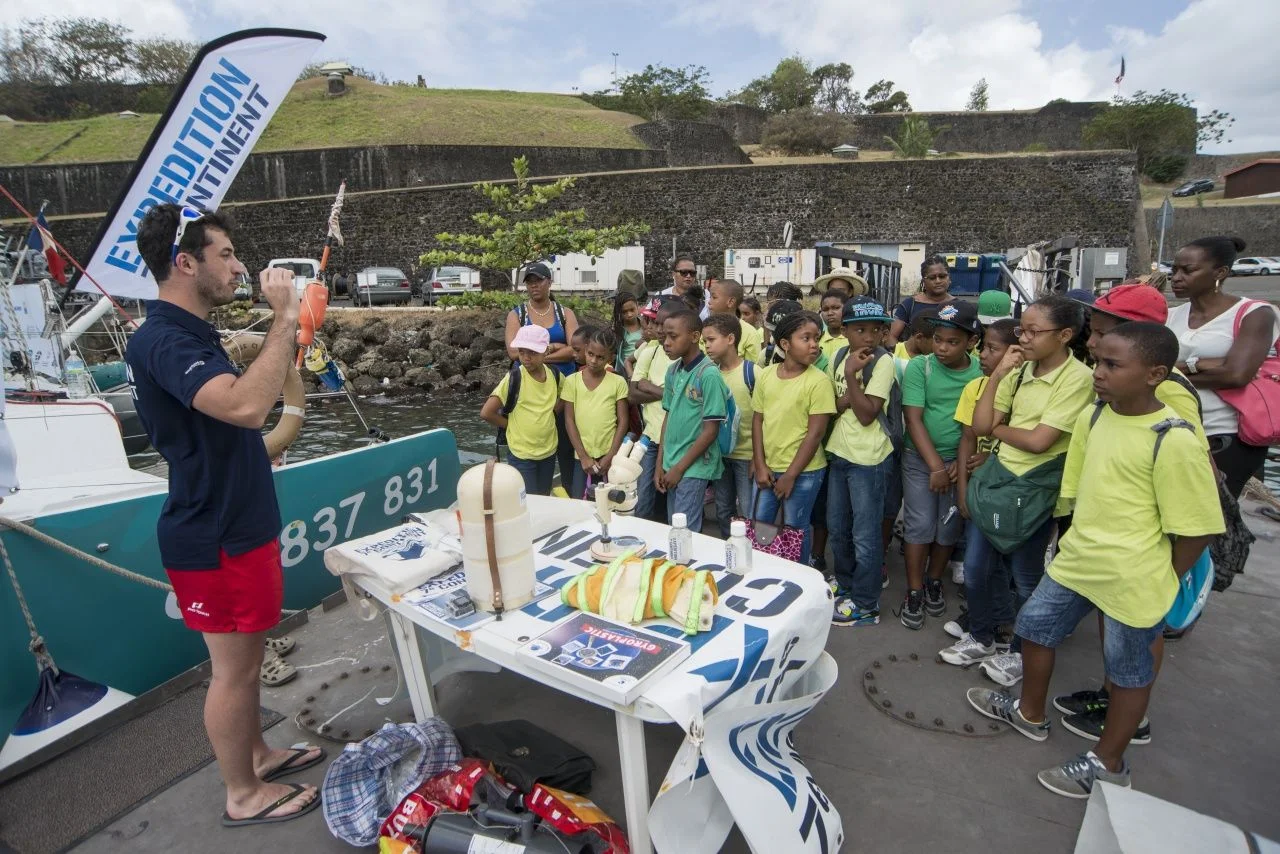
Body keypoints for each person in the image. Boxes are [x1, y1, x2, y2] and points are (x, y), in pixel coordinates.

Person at [967, 323, 1223, 798]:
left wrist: (1163, 577)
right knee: (1034, 629)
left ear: (1155, 374)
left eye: (1112, 365)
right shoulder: (1095, 416)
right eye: (1098, 361)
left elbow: (1198, 528)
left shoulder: (1174, 439)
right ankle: (1029, 712)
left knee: (1128, 673)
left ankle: (1108, 763)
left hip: (1134, 575)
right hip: (1079, 560)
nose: (1098, 373)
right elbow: (1078, 488)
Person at [126, 204, 322, 827]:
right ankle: (242, 793)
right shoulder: (163, 339)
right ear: (185, 263)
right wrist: (285, 318)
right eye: (227, 255)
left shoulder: (192, 333)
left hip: (237, 522)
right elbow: (243, 408)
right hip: (214, 535)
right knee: (233, 672)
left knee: (249, 658)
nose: (239, 268)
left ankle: (257, 754)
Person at [1049, 283, 1211, 744]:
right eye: (1095, 335)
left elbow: (1190, 471)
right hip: (1105, 529)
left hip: (1141, 545)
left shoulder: (1170, 395)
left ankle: (1130, 717)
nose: (1093, 344)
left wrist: (1164, 576)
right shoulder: (1114, 385)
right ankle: (1109, 693)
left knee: (1140, 627)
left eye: (1103, 334)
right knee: (1114, 618)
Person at [967, 295, 1095, 686]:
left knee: (1025, 577)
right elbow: (980, 424)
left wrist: (998, 430)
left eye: (1033, 332)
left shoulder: (1077, 380)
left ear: (1065, 335)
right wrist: (997, 376)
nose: (1023, 338)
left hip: (1036, 488)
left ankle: (1021, 653)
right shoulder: (1020, 370)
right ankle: (981, 636)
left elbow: (1040, 442)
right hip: (998, 480)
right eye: (1022, 330)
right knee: (976, 568)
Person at [1167, 236, 1280, 499]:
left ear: (1220, 273)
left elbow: (1236, 375)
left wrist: (1174, 372)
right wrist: (1201, 365)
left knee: (1216, 512)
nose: (1176, 278)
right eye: (1174, 270)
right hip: (1176, 429)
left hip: (1226, 435)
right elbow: (1151, 367)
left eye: (1188, 270)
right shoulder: (1171, 315)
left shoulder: (1255, 313)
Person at [898, 301, 983, 630]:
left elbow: (977, 425)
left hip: (960, 461)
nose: (942, 348)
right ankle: (914, 589)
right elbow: (913, 418)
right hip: (920, 459)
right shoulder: (921, 368)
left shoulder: (981, 373)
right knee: (919, 524)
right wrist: (935, 466)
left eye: (952, 342)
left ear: (971, 342)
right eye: (937, 340)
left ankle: (934, 580)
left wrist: (959, 465)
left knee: (948, 526)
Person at [939, 318, 1019, 655]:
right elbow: (967, 438)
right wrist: (962, 489)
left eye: (992, 349)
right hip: (978, 492)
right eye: (983, 347)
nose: (982, 355)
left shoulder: (1023, 390)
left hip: (1011, 494)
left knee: (1002, 566)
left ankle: (997, 625)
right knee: (979, 563)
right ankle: (986, 624)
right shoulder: (976, 387)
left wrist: (993, 457)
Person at [826, 296, 897, 627]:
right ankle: (846, 583)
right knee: (838, 527)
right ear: (845, 331)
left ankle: (867, 604)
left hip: (869, 458)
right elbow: (835, 403)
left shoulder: (883, 362)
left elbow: (868, 414)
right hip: (840, 451)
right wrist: (848, 393)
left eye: (876, 330)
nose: (869, 337)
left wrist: (852, 377)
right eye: (860, 330)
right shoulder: (838, 355)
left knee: (865, 535)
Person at [750, 310, 836, 566]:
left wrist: (790, 476)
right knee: (761, 523)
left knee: (795, 527)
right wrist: (760, 463)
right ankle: (763, 569)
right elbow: (758, 420)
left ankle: (798, 574)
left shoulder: (819, 381)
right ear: (785, 344)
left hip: (804, 472)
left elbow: (815, 433)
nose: (814, 345)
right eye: (805, 338)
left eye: (817, 338)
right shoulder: (767, 375)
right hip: (769, 468)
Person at [505, 262, 579, 491]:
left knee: (567, 447)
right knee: (534, 449)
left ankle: (571, 493)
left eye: (539, 280)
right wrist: (555, 348)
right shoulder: (517, 314)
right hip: (530, 393)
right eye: (529, 282)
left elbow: (575, 349)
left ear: (549, 282)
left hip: (563, 391)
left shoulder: (564, 313)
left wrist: (540, 356)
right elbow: (513, 352)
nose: (534, 285)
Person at [656, 310, 729, 531]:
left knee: (684, 531)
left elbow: (711, 431)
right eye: (665, 337)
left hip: (693, 466)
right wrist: (660, 465)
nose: (666, 343)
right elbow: (668, 417)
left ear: (695, 336)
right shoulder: (673, 371)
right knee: (675, 528)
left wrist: (679, 468)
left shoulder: (708, 375)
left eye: (673, 336)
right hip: (671, 463)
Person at [481, 325, 562, 496]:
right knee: (527, 500)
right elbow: (487, 412)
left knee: (544, 496)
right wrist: (511, 425)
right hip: (522, 455)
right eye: (522, 351)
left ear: (546, 351)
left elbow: (563, 398)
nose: (526, 357)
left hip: (548, 451)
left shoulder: (555, 375)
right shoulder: (514, 377)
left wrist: (550, 416)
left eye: (532, 352)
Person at [703, 313, 756, 537]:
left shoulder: (752, 373)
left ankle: (750, 550)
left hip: (747, 456)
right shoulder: (709, 373)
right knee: (723, 509)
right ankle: (728, 549)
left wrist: (759, 458)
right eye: (704, 341)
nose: (706, 346)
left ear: (731, 339)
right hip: (720, 456)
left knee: (748, 510)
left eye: (711, 340)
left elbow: (764, 418)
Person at [562, 327, 630, 500]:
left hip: (609, 456)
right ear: (586, 350)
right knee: (580, 502)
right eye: (590, 354)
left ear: (610, 358)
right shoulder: (572, 381)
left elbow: (623, 421)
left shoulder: (618, 382)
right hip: (581, 457)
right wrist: (583, 456)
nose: (593, 360)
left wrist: (611, 455)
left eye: (600, 357)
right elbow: (569, 420)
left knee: (611, 503)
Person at [629, 300, 681, 520]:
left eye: (663, 324)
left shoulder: (684, 357)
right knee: (643, 500)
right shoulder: (649, 352)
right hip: (650, 437)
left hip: (677, 440)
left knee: (674, 507)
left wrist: (648, 386)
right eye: (655, 323)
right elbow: (633, 394)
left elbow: (682, 399)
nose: (658, 330)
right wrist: (667, 392)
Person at [889, 255, 957, 344]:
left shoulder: (959, 306)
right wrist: (900, 352)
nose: (938, 281)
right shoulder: (909, 305)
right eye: (932, 277)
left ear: (949, 278)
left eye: (942, 276)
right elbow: (891, 336)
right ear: (923, 281)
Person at [705, 278, 764, 363]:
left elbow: (752, 367)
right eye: (710, 297)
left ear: (731, 302)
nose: (709, 302)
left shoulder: (750, 333)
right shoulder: (706, 329)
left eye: (714, 297)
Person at [893, 310, 938, 383]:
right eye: (937, 341)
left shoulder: (938, 360)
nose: (941, 347)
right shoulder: (893, 355)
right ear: (919, 338)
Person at [612, 293, 643, 373]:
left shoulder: (645, 325)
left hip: (645, 367)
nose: (629, 314)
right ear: (619, 312)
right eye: (624, 312)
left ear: (637, 306)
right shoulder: (618, 331)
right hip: (626, 370)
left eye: (632, 310)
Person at [818, 290, 848, 364]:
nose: (830, 313)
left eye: (836, 308)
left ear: (847, 308)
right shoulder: (816, 340)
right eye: (825, 309)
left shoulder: (854, 339)